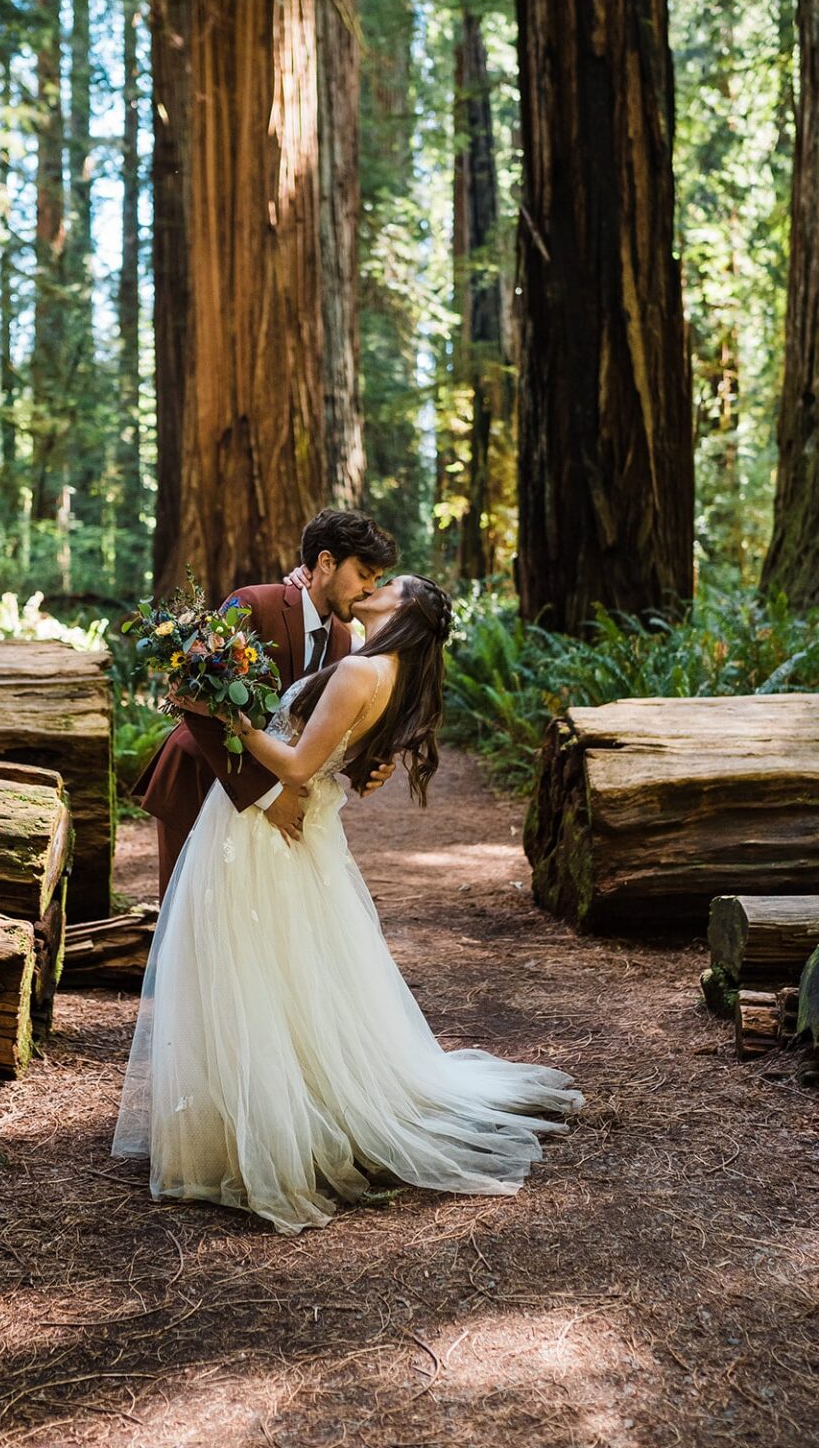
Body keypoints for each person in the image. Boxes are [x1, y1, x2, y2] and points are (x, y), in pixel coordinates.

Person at [113, 572, 584, 1234]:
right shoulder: (374, 665)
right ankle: (254, 1116)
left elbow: (301, 768)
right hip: (283, 832)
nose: (376, 584)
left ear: (405, 610)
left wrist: (237, 719)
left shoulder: (363, 669)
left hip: (265, 834)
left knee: (254, 974)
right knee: (283, 978)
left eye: (388, 583)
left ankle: (268, 1132)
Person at [137, 508, 400, 900]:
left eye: (377, 580)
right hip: (199, 778)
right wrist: (268, 794)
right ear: (326, 562)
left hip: (263, 804)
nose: (369, 588)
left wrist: (366, 766)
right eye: (363, 574)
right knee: (188, 916)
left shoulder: (346, 645)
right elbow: (194, 696)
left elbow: (313, 730)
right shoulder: (253, 603)